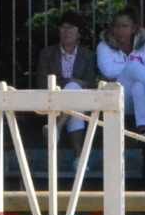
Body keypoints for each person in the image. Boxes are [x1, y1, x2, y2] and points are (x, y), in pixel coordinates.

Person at [35, 10, 100, 153]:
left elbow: (90, 83)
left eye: (71, 27)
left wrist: (74, 84)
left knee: (75, 96)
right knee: (74, 98)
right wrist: (72, 83)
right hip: (54, 99)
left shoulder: (88, 55)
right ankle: (79, 156)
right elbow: (41, 82)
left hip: (82, 100)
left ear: (79, 33)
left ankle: (57, 127)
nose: (66, 31)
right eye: (63, 27)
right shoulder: (47, 53)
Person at [95, 7, 145, 132]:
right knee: (134, 67)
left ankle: (143, 129)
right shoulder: (103, 46)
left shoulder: (144, 46)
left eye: (124, 26)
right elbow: (108, 72)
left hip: (144, 96)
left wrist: (132, 72)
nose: (120, 30)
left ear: (133, 29)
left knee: (139, 85)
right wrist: (131, 70)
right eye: (116, 26)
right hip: (117, 97)